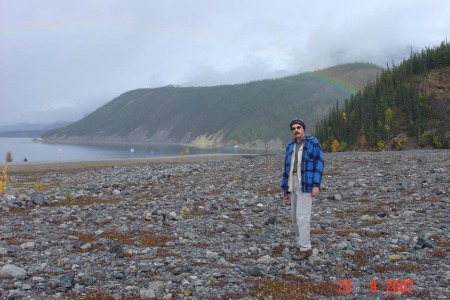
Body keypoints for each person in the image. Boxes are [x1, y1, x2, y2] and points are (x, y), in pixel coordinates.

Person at [281, 118, 324, 261]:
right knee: (294, 216)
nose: (296, 130)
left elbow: (319, 163)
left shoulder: (313, 142)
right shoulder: (290, 146)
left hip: (306, 182)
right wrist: (285, 187)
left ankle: (305, 248)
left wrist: (316, 185)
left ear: (303, 129)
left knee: (302, 216)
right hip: (292, 182)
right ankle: (300, 244)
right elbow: (286, 167)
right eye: (293, 128)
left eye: (298, 127)